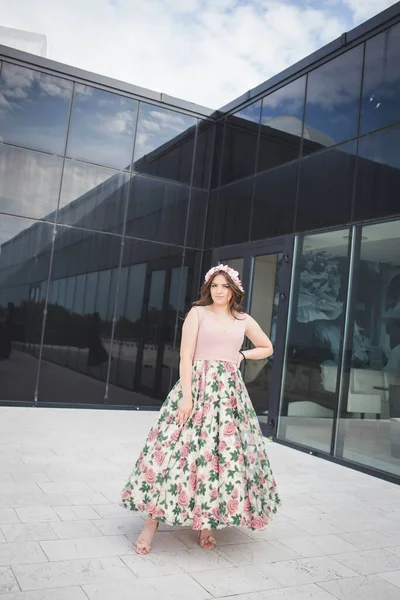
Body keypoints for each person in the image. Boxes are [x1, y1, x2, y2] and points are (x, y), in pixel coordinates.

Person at [120, 263, 281, 555]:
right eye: (215, 286)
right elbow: (185, 356)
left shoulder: (242, 319)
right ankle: (151, 523)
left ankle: (207, 523)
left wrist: (242, 355)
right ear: (210, 289)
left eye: (225, 286)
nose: (219, 291)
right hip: (196, 387)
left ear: (234, 290)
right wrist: (187, 396)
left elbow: (267, 347)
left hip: (229, 396)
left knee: (218, 458)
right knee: (175, 454)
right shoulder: (198, 314)